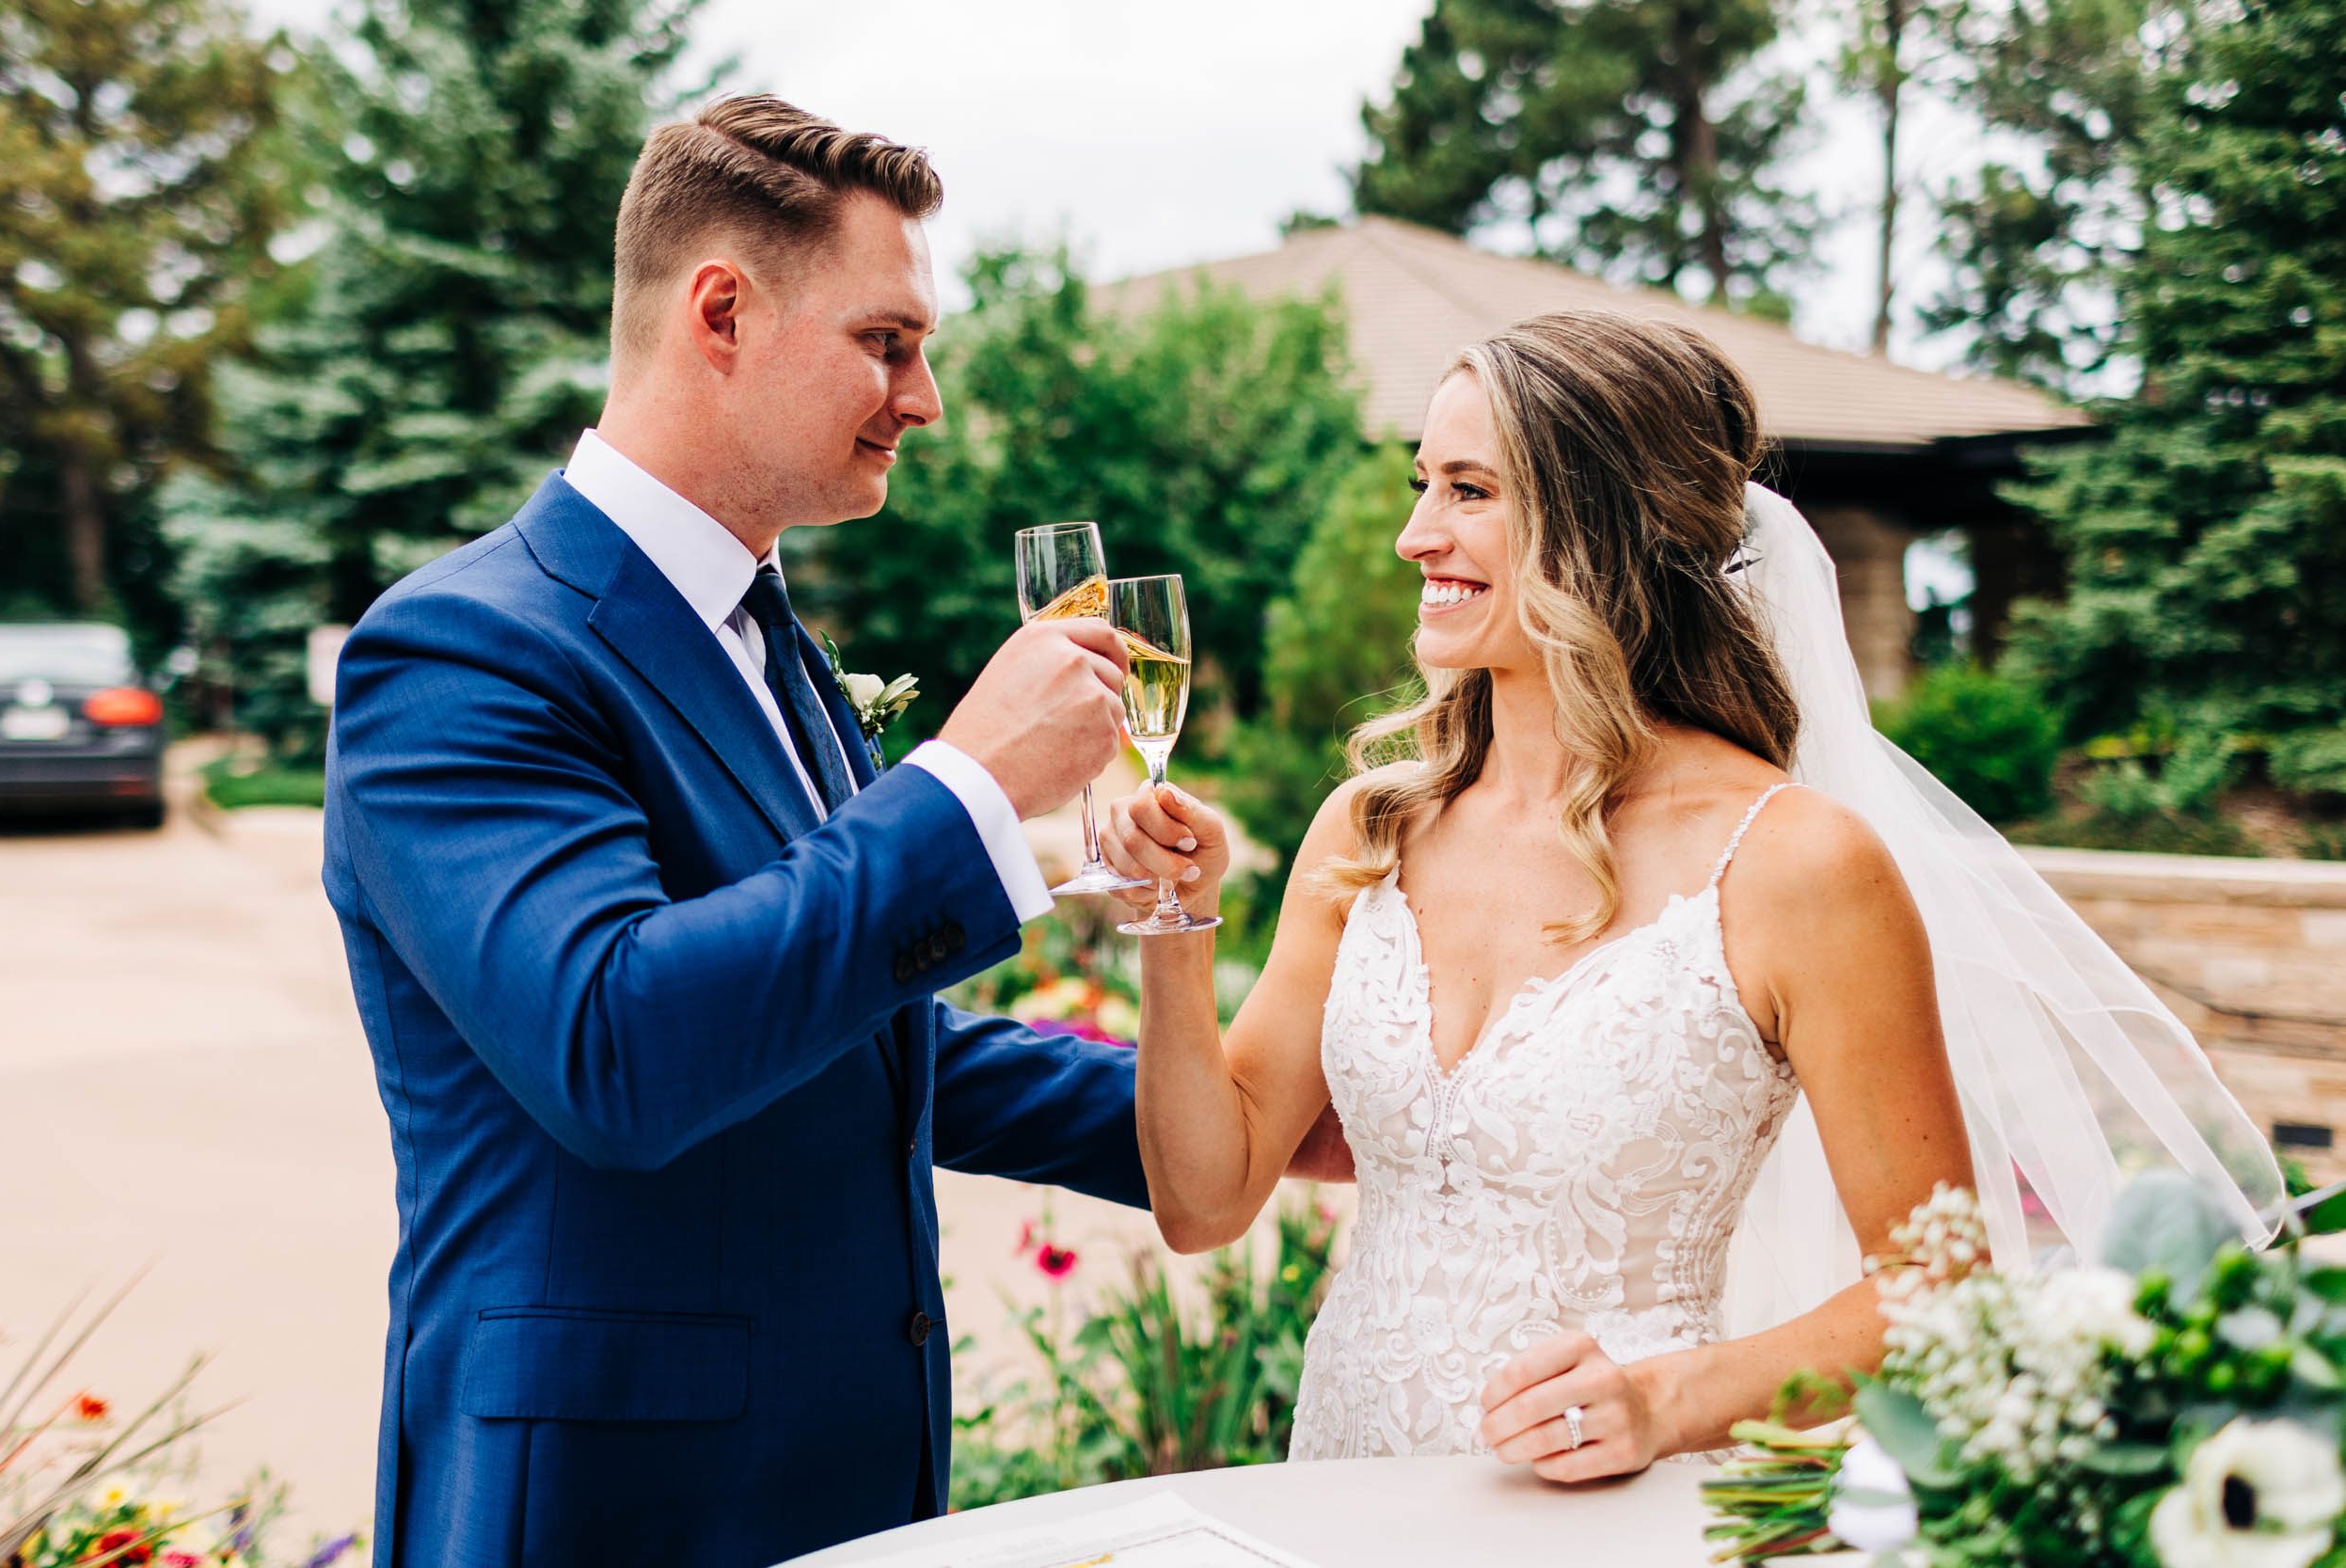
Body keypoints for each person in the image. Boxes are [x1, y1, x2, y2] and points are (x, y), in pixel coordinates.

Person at [1101, 309, 2279, 1480]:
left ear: (1602, 528)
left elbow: (1941, 1293)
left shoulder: (1795, 862)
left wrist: (1669, 1399)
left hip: (1616, 1508)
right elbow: (1203, 1198)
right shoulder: (1371, 829)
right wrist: (1175, 923)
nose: (1415, 535)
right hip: (1346, 1486)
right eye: (1424, 483)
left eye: (1469, 491)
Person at [324, 95, 1143, 1567]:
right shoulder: (458, 651)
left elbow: (865, 1041)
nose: (924, 398)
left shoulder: (767, 639)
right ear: (722, 312)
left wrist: (1242, 1113)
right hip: (601, 1508)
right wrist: (965, 782)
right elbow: (616, 1044)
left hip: (839, 1485)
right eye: (888, 342)